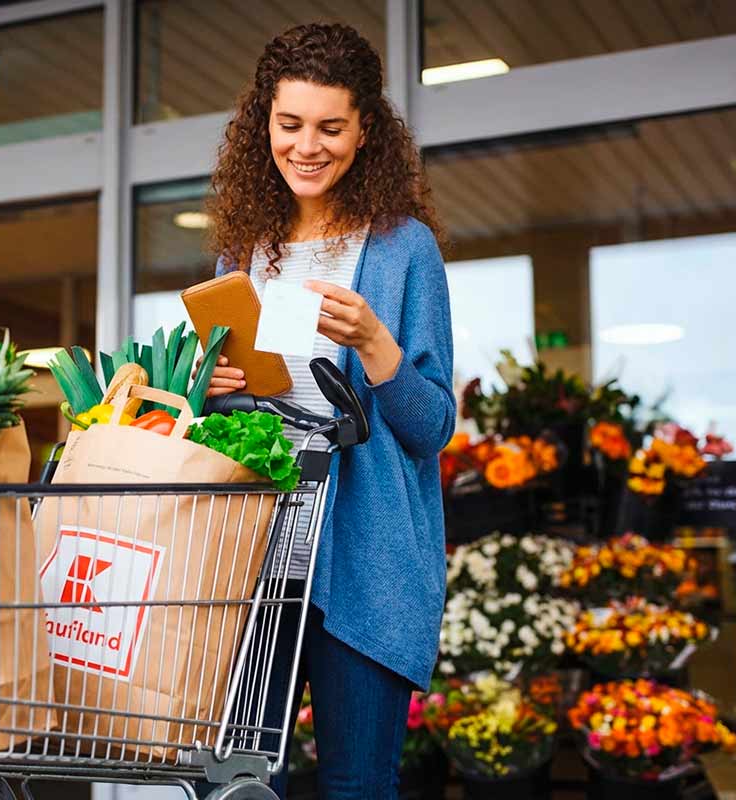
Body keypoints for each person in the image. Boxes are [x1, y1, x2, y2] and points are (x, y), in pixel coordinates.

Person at [200, 22, 454, 799]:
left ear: (365, 130)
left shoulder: (404, 249)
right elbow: (241, 420)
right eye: (289, 124)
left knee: (356, 783)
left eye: (330, 127)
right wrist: (212, 390)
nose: (307, 146)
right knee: (232, 779)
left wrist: (377, 343)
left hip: (366, 558)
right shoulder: (245, 253)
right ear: (263, 125)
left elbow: (431, 428)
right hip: (259, 553)